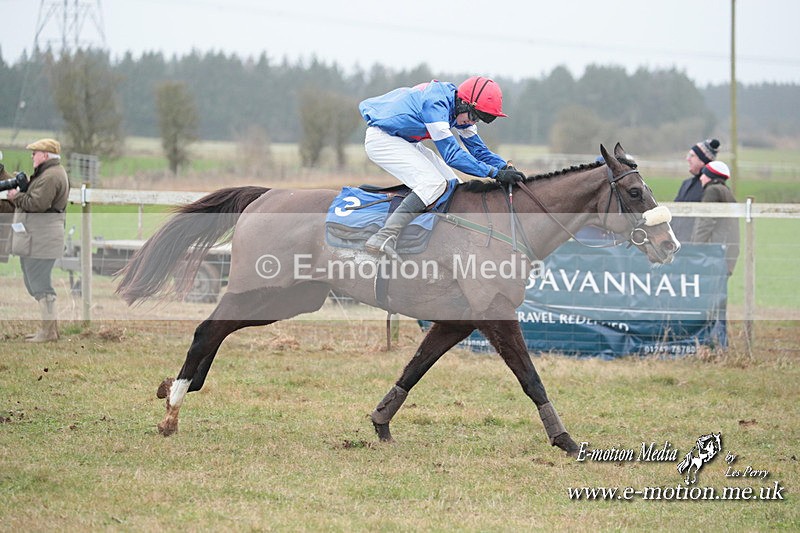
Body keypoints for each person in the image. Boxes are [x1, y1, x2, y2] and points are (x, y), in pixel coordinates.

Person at [358, 76, 525, 260]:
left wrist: (505, 168)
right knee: (433, 184)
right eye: (474, 117)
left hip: (405, 140)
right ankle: (384, 236)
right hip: (383, 139)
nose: (473, 122)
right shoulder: (436, 105)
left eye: (479, 119)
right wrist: (495, 174)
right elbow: (452, 156)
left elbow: (479, 151)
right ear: (464, 103)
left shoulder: (461, 111)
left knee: (456, 186)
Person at [6, 138, 70, 342]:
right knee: (34, 281)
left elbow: (37, 204)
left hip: (43, 239)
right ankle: (50, 330)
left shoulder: (51, 176)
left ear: (45, 155)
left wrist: (15, 196)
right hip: (39, 238)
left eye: (35, 152)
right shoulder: (49, 173)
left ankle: (49, 332)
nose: (32, 156)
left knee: (40, 283)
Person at [692, 161, 740, 276]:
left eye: (704, 174)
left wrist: (694, 248)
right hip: (726, 254)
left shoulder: (712, 191)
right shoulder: (727, 191)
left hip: (711, 254)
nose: (701, 178)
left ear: (710, 177)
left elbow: (706, 222)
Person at [671, 138, 721, 242]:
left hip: (696, 250)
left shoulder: (711, 187)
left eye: (692, 156)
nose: (687, 159)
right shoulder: (686, 184)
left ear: (703, 161)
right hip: (677, 245)